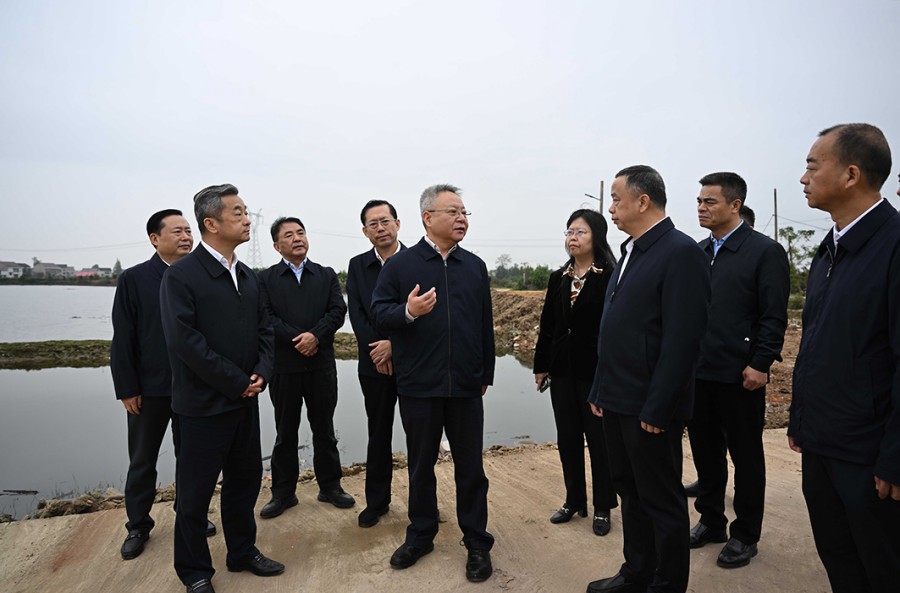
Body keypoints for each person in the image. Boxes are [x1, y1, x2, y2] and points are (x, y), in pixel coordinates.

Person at [586, 165, 710, 593]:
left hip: (649, 407)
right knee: (629, 489)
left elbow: (683, 341)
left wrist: (659, 407)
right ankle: (636, 571)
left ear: (643, 201)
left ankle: (667, 582)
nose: (610, 208)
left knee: (660, 498)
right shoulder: (631, 252)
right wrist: (600, 388)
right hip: (617, 397)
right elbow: (613, 330)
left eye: (616, 199)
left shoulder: (681, 253)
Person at [789, 123, 900, 592]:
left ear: (851, 174)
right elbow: (816, 342)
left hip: (868, 453)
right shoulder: (830, 248)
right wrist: (799, 419)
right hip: (821, 442)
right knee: (839, 559)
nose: (803, 178)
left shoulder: (893, 244)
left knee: (882, 568)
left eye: (813, 166)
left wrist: (895, 457)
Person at [160, 184, 282, 593]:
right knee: (194, 495)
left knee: (244, 482)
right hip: (202, 406)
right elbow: (184, 341)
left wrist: (262, 372)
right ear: (211, 224)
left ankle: (242, 551)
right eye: (238, 213)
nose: (247, 220)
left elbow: (266, 329)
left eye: (246, 211)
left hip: (245, 401)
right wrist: (235, 381)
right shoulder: (181, 276)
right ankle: (195, 571)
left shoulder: (248, 277)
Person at [371, 184, 495, 583]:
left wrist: (485, 374)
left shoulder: (474, 266)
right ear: (428, 217)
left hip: (465, 386)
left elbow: (484, 324)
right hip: (419, 385)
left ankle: (477, 542)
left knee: (471, 468)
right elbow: (378, 313)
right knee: (421, 466)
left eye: (464, 213)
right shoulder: (400, 266)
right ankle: (421, 535)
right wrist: (408, 311)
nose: (462, 219)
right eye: (453, 212)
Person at [687, 173, 790, 569]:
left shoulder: (764, 251)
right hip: (700, 372)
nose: (701, 207)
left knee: (746, 458)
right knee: (705, 453)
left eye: (709, 201)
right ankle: (711, 521)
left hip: (740, 375)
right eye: (699, 201)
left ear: (735, 205)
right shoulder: (698, 252)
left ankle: (745, 534)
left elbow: (773, 315)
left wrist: (760, 363)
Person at [111, 209, 217, 560]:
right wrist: (127, 388)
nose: (186, 237)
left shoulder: (200, 275)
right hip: (150, 389)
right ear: (155, 239)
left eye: (188, 231)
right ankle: (138, 525)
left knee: (192, 458)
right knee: (143, 459)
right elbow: (123, 337)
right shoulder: (135, 278)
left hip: (194, 386)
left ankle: (190, 515)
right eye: (177, 231)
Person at [257, 217, 352, 518]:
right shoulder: (266, 279)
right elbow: (265, 317)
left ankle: (330, 487)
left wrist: (316, 336)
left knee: (325, 429)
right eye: (289, 235)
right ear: (277, 246)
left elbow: (337, 311)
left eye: (300, 232)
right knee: (285, 432)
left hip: (320, 365)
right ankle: (283, 494)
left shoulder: (325, 274)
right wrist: (298, 339)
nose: (297, 238)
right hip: (284, 367)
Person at [533, 209, 618, 536]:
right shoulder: (559, 277)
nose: (573, 237)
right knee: (567, 438)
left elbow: (614, 329)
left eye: (580, 232)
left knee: (599, 441)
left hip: (595, 372)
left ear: (597, 236)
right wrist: (542, 365)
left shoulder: (610, 275)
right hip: (562, 370)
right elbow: (548, 325)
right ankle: (574, 500)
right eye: (569, 232)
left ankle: (603, 506)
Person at [346, 199, 406, 528]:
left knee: (421, 438)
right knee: (378, 433)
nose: (380, 228)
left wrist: (394, 346)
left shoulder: (417, 261)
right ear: (365, 231)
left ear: (398, 223)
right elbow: (357, 314)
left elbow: (427, 312)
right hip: (373, 365)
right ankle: (377, 502)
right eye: (373, 224)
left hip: (413, 363)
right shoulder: (357, 266)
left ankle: (423, 504)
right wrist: (378, 351)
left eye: (385, 221)